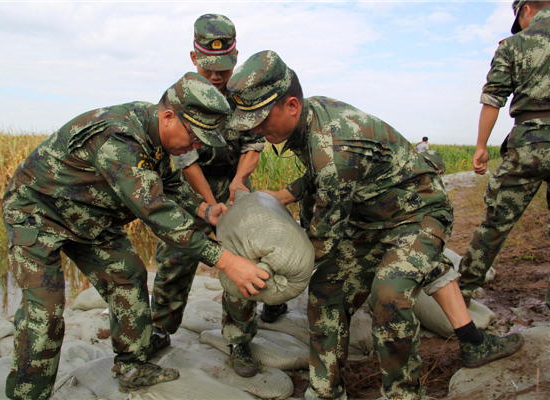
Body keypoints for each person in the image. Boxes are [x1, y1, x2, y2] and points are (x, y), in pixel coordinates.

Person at [226, 51, 524, 400]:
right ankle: (325, 391)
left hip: (417, 214)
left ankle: (403, 393)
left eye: (261, 119)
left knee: (389, 294)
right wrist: (284, 194)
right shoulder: (312, 117)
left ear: (291, 105)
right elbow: (317, 176)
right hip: (369, 218)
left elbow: (321, 240)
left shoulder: (334, 146)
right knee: (326, 293)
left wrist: (269, 271)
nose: (255, 130)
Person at [2, 72, 269, 400]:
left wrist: (204, 210)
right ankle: (28, 395)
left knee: (127, 275)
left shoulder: (154, 132)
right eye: (194, 136)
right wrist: (227, 262)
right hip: (38, 215)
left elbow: (169, 184)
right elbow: (158, 213)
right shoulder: (120, 138)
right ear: (169, 117)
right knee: (44, 315)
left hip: (91, 219)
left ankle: (132, 366)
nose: (196, 146)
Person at [150, 14, 288, 378]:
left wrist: (239, 184)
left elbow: (254, 144)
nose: (217, 76)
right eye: (209, 68)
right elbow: (184, 159)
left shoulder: (245, 94)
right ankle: (161, 328)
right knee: (175, 257)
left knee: (243, 261)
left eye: (224, 68)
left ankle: (239, 339)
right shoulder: (178, 97)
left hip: (236, 185)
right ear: (194, 58)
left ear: (235, 57)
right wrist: (210, 204)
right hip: (192, 189)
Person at [459, 0, 550, 309]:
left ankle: (463, 293)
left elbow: (493, 99)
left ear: (526, 9)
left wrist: (481, 146)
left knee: (496, 221)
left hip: (530, 145)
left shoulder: (514, 45)